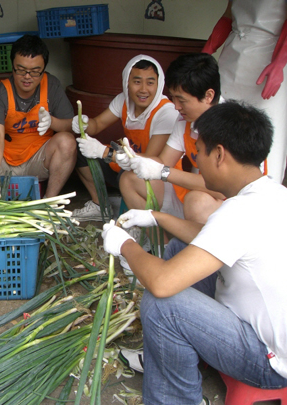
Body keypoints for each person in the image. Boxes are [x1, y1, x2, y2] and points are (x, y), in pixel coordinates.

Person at [102, 100, 287, 405]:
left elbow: (162, 283)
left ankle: (176, 399)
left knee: (163, 305)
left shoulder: (239, 212)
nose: (196, 160)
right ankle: (180, 356)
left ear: (219, 154)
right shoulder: (273, 194)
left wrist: (123, 244)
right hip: (267, 332)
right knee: (180, 247)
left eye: (198, 151)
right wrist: (156, 217)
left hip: (270, 361)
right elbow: (208, 238)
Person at [0, 34, 77, 199]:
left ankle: (48, 201)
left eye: (35, 72)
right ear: (12, 66)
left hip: (37, 161)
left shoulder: (51, 86)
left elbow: (70, 126)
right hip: (1, 160)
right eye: (21, 70)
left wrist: (53, 122)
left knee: (67, 141)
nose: (27, 76)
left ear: (43, 69)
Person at [118, 53, 226, 224]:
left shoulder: (229, 125)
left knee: (197, 202)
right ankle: (160, 240)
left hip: (232, 209)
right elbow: (163, 161)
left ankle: (198, 241)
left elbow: (221, 189)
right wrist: (132, 158)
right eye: (173, 98)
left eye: (181, 100)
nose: (176, 107)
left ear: (208, 96)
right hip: (197, 196)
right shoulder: (185, 120)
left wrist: (163, 172)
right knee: (129, 179)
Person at [71, 54, 179, 221]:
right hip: (127, 163)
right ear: (126, 82)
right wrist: (84, 123)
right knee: (80, 150)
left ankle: (144, 223)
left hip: (157, 180)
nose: (143, 89)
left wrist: (105, 152)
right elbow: (97, 124)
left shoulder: (166, 112)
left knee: (130, 173)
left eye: (150, 83)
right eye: (137, 82)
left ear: (159, 84)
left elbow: (149, 161)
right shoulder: (124, 100)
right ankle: (100, 205)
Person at [203, 0, 287, 183]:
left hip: (269, 56)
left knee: (266, 127)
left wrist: (279, 63)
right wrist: (206, 52)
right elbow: (228, 15)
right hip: (233, 54)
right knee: (220, 121)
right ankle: (211, 186)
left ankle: (263, 190)